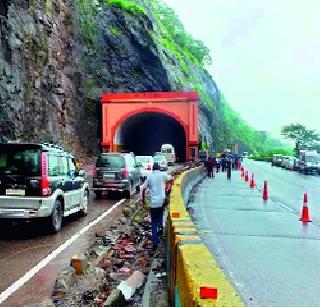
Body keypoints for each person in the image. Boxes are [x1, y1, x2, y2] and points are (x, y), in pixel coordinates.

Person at [142, 162, 171, 250]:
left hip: (153, 203)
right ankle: (161, 228)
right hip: (161, 201)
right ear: (159, 168)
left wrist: (143, 200)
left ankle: (155, 242)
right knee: (160, 216)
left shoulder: (150, 176)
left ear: (152, 169)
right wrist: (167, 189)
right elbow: (171, 179)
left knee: (153, 222)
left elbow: (143, 189)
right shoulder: (163, 175)